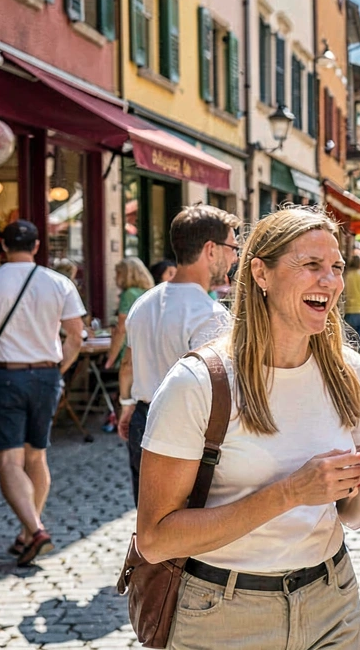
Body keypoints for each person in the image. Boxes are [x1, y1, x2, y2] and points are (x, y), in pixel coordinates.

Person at [135, 207, 360, 649]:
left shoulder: (351, 373)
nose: (329, 282)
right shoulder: (198, 383)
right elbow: (156, 540)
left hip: (331, 601)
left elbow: (352, 517)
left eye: (335, 268)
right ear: (260, 273)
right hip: (224, 613)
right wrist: (290, 492)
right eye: (311, 266)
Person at [0, 220, 85, 565]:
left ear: (3, 246)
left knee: (7, 460)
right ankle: (26, 534)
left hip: (6, 378)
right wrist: (58, 369)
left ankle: (35, 529)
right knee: (37, 457)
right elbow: (76, 337)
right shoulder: (59, 283)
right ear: (36, 247)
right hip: (46, 376)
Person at [119, 205, 240, 504]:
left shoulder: (143, 302)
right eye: (233, 247)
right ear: (211, 250)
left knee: (149, 518)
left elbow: (127, 364)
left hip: (143, 417)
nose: (236, 256)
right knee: (187, 525)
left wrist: (126, 406)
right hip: (186, 428)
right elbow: (218, 389)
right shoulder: (210, 314)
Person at [105, 257, 154, 372]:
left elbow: (122, 329)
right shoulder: (150, 293)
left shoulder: (128, 295)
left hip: (131, 351)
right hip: (148, 349)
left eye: (117, 273)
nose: (115, 277)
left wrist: (111, 359)